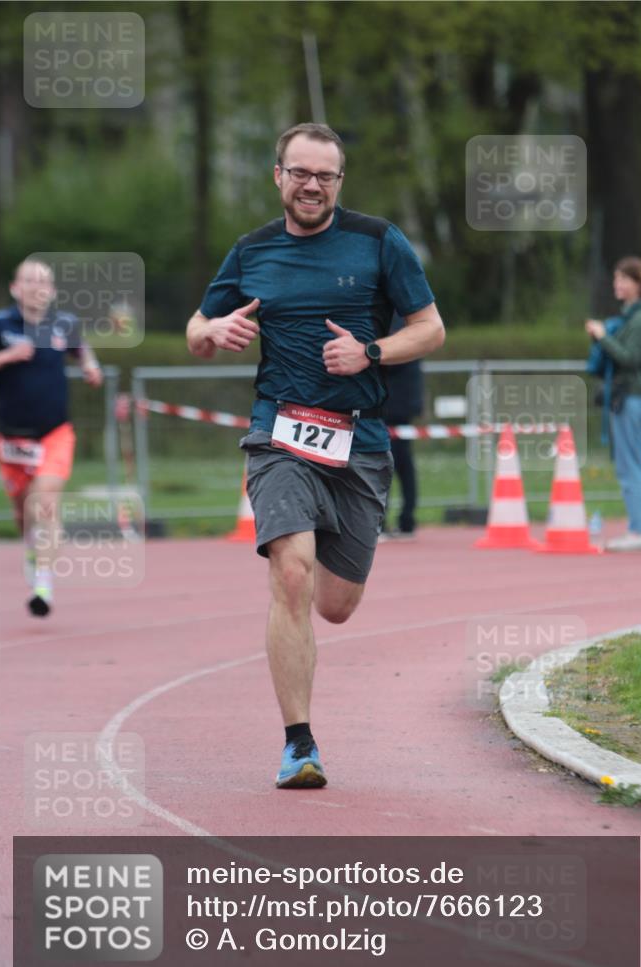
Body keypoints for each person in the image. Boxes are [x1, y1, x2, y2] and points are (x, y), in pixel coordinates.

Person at [186, 122, 445, 788]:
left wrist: (370, 351)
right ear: (278, 176)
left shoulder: (378, 241)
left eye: (324, 176)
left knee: (334, 604)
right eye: (299, 173)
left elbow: (430, 329)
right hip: (279, 433)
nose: (311, 186)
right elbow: (196, 329)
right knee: (292, 573)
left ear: (339, 182)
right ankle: (298, 745)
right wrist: (215, 329)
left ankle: (301, 729)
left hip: (359, 441)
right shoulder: (252, 251)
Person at [0, 258, 103, 614]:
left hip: (54, 432)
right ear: (15, 288)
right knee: (23, 511)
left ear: (52, 291)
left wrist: (89, 366)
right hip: (12, 437)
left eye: (43, 282)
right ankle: (31, 546)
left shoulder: (64, 323)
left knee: (46, 502)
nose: (36, 287)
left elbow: (81, 348)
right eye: (29, 280)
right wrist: (7, 357)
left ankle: (43, 584)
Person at [585, 256, 641, 551]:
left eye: (624, 278)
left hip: (632, 398)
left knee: (631, 467)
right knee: (636, 466)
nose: (617, 283)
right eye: (616, 278)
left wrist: (603, 337)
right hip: (630, 397)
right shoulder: (634, 317)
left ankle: (638, 531)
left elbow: (630, 358)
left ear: (639, 284)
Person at [381, 314, 424, 539]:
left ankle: (393, 519)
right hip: (400, 402)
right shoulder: (406, 319)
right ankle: (405, 519)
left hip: (395, 404)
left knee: (390, 461)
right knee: (402, 462)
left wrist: (367, 355)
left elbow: (393, 355)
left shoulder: (395, 319)